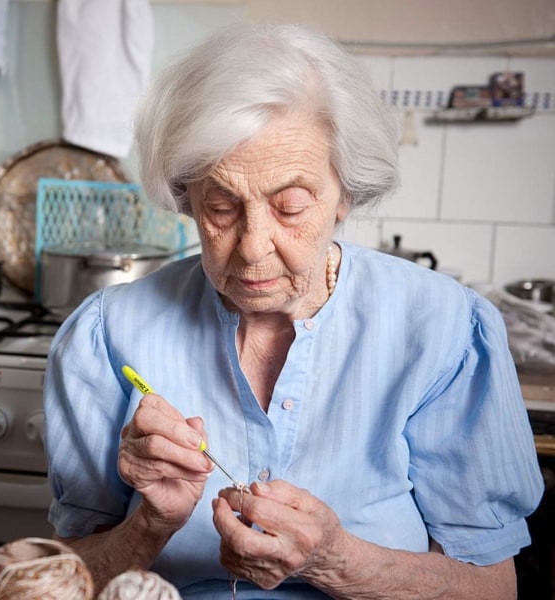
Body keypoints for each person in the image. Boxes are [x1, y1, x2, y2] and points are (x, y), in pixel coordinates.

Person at [44, 23, 543, 599]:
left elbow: (492, 588)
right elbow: (61, 579)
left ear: (345, 195)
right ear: (188, 199)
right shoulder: (107, 333)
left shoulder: (444, 328)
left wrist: (335, 559)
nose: (253, 246)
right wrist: (149, 526)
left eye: (290, 206)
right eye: (222, 207)